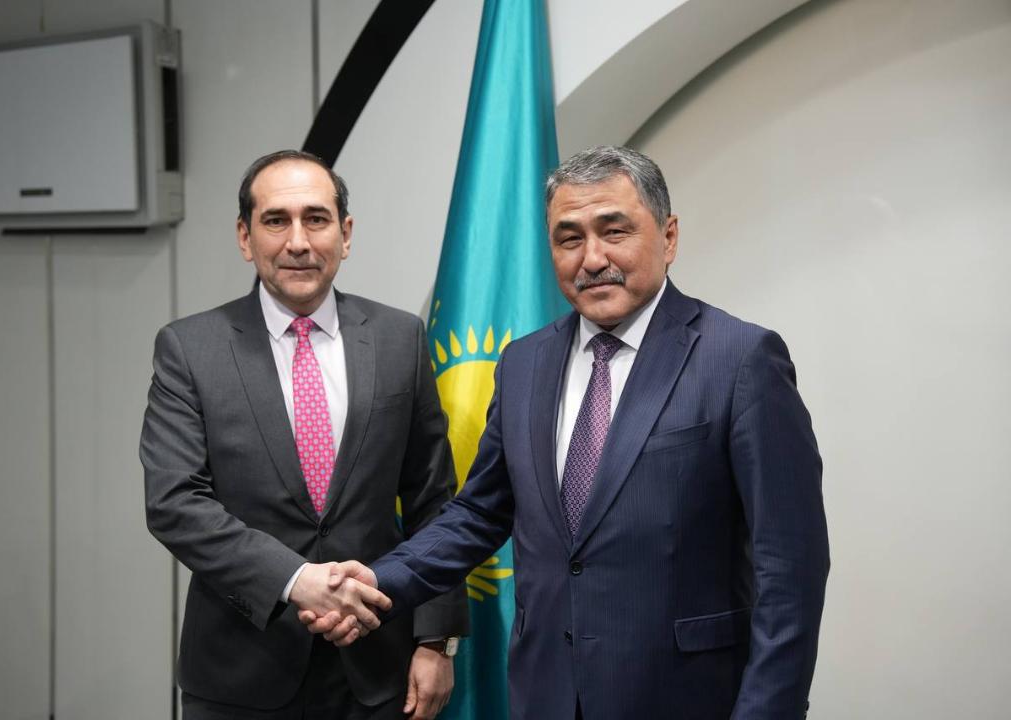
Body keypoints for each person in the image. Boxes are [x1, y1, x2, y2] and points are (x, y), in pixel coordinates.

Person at [303, 145, 830, 719]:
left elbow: (791, 571)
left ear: (669, 236)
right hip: (546, 693)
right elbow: (480, 512)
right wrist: (378, 578)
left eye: (615, 231)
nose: (592, 258)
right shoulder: (524, 363)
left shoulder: (740, 359)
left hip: (685, 697)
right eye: (569, 238)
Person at [141, 149, 468, 720]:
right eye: (276, 221)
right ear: (245, 237)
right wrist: (295, 580)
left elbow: (432, 500)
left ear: (346, 233)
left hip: (380, 671)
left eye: (316, 219)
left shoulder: (399, 338)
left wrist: (436, 639)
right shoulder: (190, 349)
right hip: (241, 676)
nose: (298, 241)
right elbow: (175, 503)